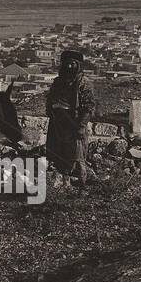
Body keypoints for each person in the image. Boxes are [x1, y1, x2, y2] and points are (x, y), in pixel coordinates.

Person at [45, 49, 97, 184]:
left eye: (73, 64)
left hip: (74, 122)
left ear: (78, 65)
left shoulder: (83, 83)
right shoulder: (58, 82)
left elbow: (89, 107)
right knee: (57, 153)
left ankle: (80, 184)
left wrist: (81, 125)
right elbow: (50, 99)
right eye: (67, 63)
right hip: (58, 123)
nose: (69, 67)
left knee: (76, 155)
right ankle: (60, 183)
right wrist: (51, 110)